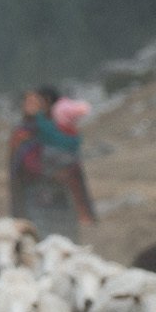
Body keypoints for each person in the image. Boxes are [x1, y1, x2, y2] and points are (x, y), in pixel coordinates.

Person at [9, 86, 95, 241]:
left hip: (63, 199)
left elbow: (74, 167)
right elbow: (23, 166)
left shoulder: (61, 131)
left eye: (36, 102)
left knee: (67, 241)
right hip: (36, 198)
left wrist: (82, 206)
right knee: (40, 240)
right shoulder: (23, 133)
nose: (33, 106)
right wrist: (50, 174)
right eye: (28, 102)